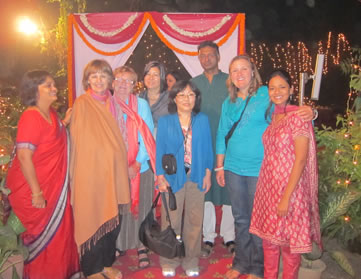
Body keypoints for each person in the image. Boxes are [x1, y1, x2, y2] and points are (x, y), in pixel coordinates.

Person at [216, 55, 315, 279]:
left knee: (259, 222)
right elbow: (221, 133)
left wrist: (311, 112)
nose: (239, 74)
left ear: (253, 72)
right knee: (240, 218)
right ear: (230, 77)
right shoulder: (228, 102)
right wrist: (219, 167)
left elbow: (288, 112)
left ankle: (258, 268)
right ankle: (241, 263)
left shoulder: (265, 93)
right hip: (232, 168)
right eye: (234, 71)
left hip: (259, 170)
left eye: (244, 69)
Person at [6, 70, 80, 279]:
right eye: (47, 85)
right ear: (34, 89)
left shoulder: (52, 114)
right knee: (44, 239)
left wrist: (65, 121)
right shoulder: (31, 116)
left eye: (53, 84)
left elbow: (53, 136)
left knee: (60, 236)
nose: (53, 88)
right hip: (35, 190)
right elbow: (23, 157)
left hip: (54, 189)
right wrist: (37, 193)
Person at [249, 70, 321, 279]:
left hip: (290, 190)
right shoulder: (274, 115)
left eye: (282, 87)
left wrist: (286, 198)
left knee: (289, 249)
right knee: (269, 244)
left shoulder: (298, 117)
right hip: (268, 189)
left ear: (291, 89)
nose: (277, 92)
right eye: (272, 88)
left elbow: (300, 159)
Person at [70, 59, 130, 279]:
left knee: (113, 222)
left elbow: (121, 137)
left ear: (110, 80)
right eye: (94, 76)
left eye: (102, 76)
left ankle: (105, 264)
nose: (98, 80)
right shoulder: (82, 104)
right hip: (91, 174)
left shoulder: (113, 103)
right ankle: (92, 269)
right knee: (93, 217)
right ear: (87, 80)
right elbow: (81, 142)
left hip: (114, 173)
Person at [156, 80, 213, 277]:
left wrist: (208, 173)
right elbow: (160, 150)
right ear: (174, 98)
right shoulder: (165, 121)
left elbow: (207, 148)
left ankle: (191, 259)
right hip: (173, 176)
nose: (187, 99)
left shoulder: (202, 119)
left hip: (196, 174)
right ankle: (168, 259)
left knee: (195, 219)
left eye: (190, 95)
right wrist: (160, 176)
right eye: (182, 95)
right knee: (170, 219)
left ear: (196, 98)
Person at [191, 41, 235, 258]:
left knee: (228, 189)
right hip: (201, 145)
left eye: (210, 55)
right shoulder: (193, 83)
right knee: (205, 190)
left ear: (218, 56)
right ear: (198, 58)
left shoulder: (230, 81)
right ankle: (208, 235)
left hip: (227, 145)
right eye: (202, 55)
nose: (206, 58)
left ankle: (229, 236)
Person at [112, 66, 156, 269]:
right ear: (112, 82)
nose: (123, 84)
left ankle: (141, 245)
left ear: (133, 86)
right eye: (119, 80)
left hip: (140, 166)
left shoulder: (141, 104)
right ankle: (120, 243)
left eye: (128, 81)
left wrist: (137, 163)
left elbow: (146, 136)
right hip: (114, 168)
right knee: (119, 207)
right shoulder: (106, 105)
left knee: (142, 205)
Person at [139, 61, 169, 135]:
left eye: (155, 75)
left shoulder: (171, 99)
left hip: (164, 140)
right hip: (142, 140)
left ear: (161, 77)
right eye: (148, 74)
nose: (151, 78)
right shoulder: (139, 98)